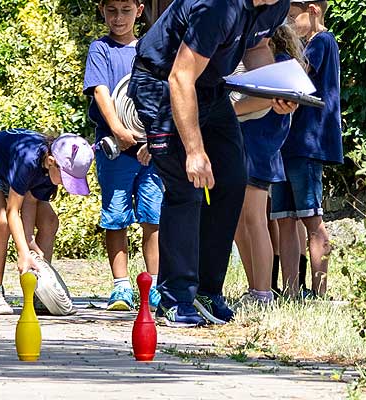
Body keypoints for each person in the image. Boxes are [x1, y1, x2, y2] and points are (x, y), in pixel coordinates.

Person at [126, 0, 295, 327]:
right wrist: (194, 150)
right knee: (186, 186)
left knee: (232, 180)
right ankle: (175, 296)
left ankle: (207, 290)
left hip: (209, 89)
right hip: (162, 84)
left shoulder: (276, 5)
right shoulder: (218, 7)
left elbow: (257, 47)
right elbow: (180, 78)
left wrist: (279, 88)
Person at [0, 129, 96, 315]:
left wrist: (28, 241)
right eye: (66, 177)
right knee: (3, 222)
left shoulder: (49, 171)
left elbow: (30, 200)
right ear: (52, 162)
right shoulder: (29, 161)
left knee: (49, 221)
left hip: (19, 176)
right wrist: (23, 253)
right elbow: (13, 210)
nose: (64, 184)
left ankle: (39, 293)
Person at [84, 0, 155, 312]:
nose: (118, 18)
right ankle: (121, 286)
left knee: (154, 216)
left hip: (151, 149)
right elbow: (100, 90)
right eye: (112, 10)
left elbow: (161, 94)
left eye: (126, 10)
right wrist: (118, 130)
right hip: (113, 146)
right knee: (115, 215)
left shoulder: (151, 49)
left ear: (139, 10)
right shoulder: (100, 49)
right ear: (102, 10)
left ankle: (153, 284)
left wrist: (152, 140)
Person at [270, 0, 340, 298]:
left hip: (306, 145)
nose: (287, 23)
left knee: (312, 219)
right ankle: (291, 292)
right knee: (284, 219)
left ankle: (320, 292)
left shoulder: (321, 41)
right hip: (286, 144)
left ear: (313, 11)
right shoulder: (309, 42)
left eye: (291, 16)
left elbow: (298, 76)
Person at [233, 32, 298, 304]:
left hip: (258, 150)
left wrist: (228, 110)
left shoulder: (279, 63)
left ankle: (262, 292)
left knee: (254, 219)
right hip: (247, 148)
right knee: (239, 223)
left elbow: (268, 98)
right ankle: (254, 288)